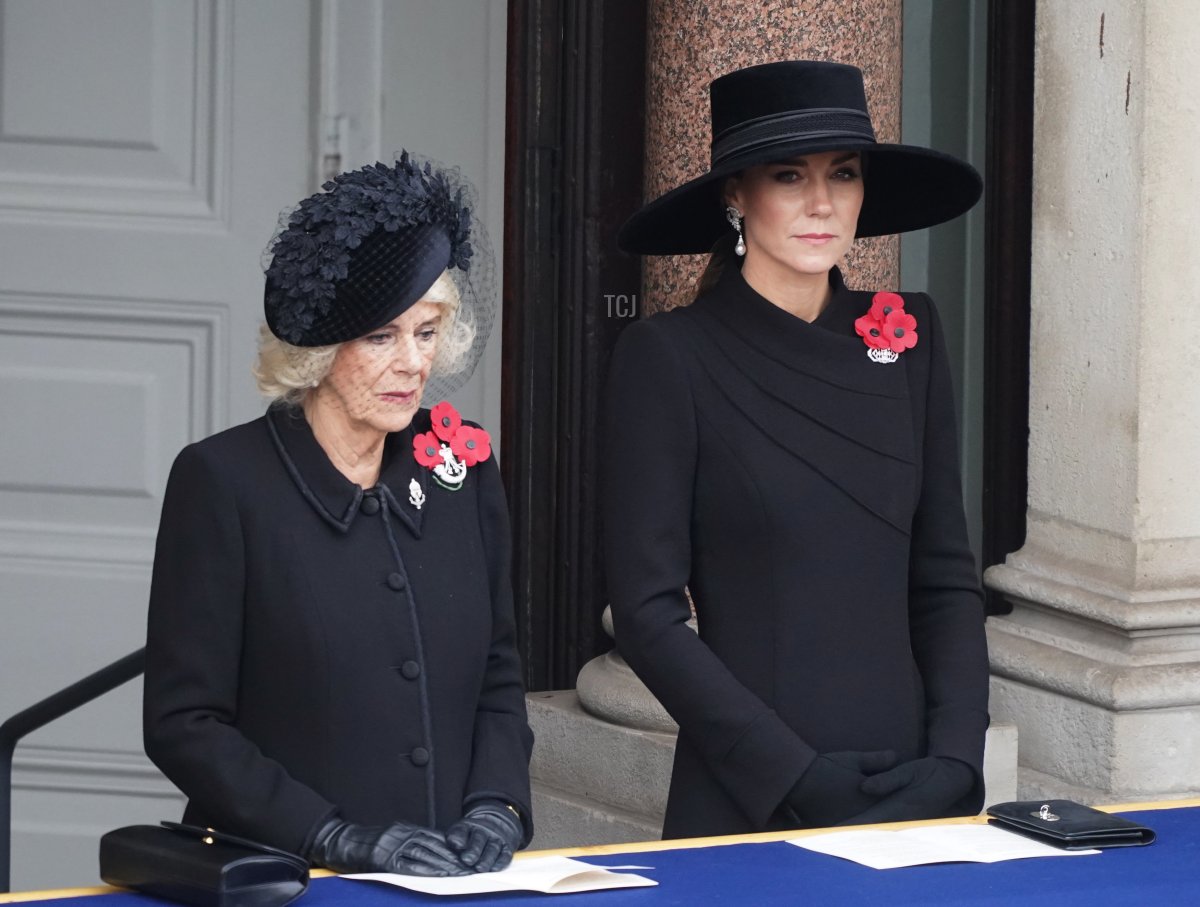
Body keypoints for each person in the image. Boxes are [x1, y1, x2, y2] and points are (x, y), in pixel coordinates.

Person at [604, 60, 990, 839]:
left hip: (911, 786)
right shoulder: (668, 356)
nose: (822, 203)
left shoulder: (909, 336)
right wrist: (789, 773)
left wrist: (956, 759)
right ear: (735, 195)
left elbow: (945, 577)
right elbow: (647, 615)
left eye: (842, 174)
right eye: (789, 175)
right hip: (752, 793)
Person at [143, 155, 533, 875]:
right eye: (382, 337)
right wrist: (328, 835)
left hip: (451, 882)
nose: (414, 362)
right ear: (318, 349)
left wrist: (496, 805)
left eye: (427, 331)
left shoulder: (463, 472)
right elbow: (183, 724)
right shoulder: (224, 482)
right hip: (288, 879)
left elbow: (499, 680)